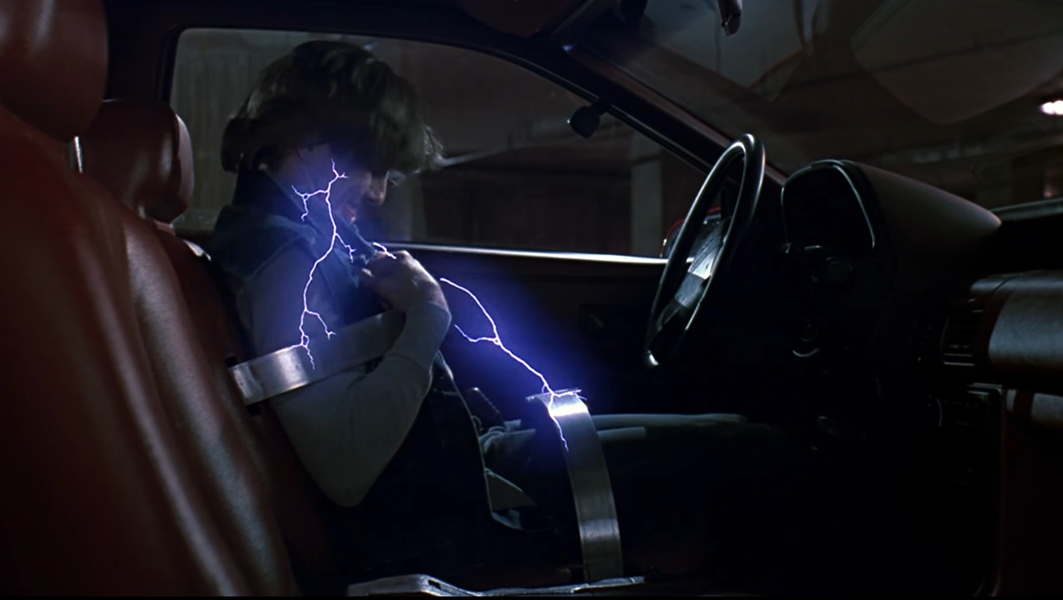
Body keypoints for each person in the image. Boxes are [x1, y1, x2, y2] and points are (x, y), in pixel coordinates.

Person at [208, 40, 821, 592]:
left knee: (736, 431)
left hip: (457, 473)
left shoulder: (302, 235)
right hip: (450, 522)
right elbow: (345, 469)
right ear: (300, 139)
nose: (378, 192)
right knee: (763, 455)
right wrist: (428, 317)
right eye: (369, 164)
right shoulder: (284, 264)